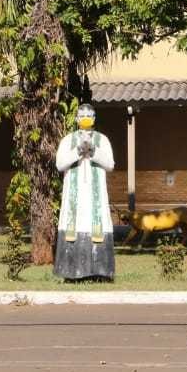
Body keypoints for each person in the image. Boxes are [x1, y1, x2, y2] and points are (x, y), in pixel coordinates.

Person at [54, 104, 115, 280]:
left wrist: (94, 151)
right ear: (76, 119)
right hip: (75, 195)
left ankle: (100, 272)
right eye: (82, 115)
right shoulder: (67, 140)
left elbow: (110, 164)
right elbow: (60, 164)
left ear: (94, 118)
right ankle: (71, 272)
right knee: (73, 225)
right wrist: (78, 150)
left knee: (98, 225)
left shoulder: (103, 140)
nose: (86, 118)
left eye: (89, 115)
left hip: (96, 195)